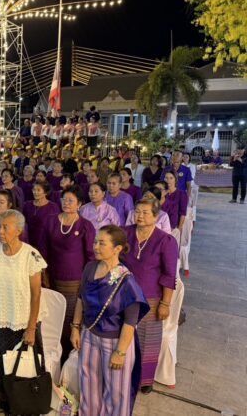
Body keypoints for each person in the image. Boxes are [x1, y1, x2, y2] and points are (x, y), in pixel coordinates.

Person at [71, 225, 149, 416]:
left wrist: (120, 353)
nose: (96, 246)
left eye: (102, 243)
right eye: (95, 242)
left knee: (116, 394)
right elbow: (81, 298)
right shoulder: (90, 268)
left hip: (115, 343)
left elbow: (130, 322)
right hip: (89, 335)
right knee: (88, 384)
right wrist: (75, 327)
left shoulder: (126, 280)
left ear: (117, 249)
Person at [0, 210, 46, 414]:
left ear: (18, 230)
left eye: (5, 227)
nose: (0, 231)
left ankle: (28, 405)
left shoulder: (31, 255)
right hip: (0, 318)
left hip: (25, 321)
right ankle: (7, 403)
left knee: (27, 364)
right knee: (4, 363)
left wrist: (31, 328)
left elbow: (36, 294)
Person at [122, 198, 177, 394]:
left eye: (145, 213)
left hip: (151, 297)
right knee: (123, 335)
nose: (140, 216)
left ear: (156, 216)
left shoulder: (165, 240)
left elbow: (169, 275)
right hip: (124, 294)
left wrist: (165, 303)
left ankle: (145, 379)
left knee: (147, 339)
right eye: (137, 211)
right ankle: (123, 373)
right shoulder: (124, 233)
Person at [42, 185, 95, 358]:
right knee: (53, 314)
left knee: (72, 316)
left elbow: (90, 256)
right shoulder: (50, 221)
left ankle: (69, 353)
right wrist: (43, 273)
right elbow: (43, 249)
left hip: (75, 280)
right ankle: (53, 352)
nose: (66, 203)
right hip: (52, 277)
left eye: (71, 201)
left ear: (79, 204)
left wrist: (88, 280)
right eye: (64, 199)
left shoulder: (86, 225)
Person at [22, 182, 58, 261]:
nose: (35, 192)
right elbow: (23, 223)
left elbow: (55, 227)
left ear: (45, 192)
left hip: (45, 244)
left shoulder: (53, 207)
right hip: (28, 241)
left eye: (38, 190)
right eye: (34, 190)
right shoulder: (27, 205)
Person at [161, 171, 188, 238]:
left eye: (171, 178)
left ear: (175, 180)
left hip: (173, 225)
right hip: (160, 223)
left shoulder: (182, 194)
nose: (168, 180)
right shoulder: (161, 192)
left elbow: (183, 213)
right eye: (166, 178)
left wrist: (179, 229)